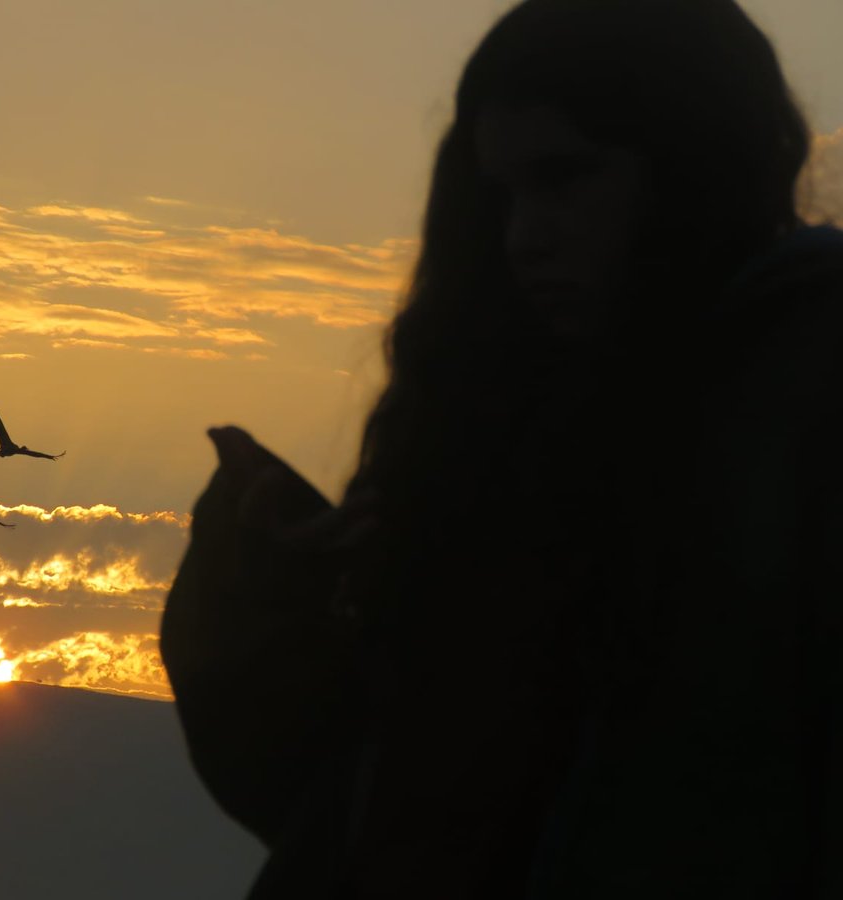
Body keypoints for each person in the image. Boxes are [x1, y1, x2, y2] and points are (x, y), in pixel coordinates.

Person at [160, 0, 843, 896]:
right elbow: (367, 819)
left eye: (566, 180)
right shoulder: (493, 437)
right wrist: (282, 599)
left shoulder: (807, 407)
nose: (523, 236)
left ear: (694, 166)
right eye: (502, 195)